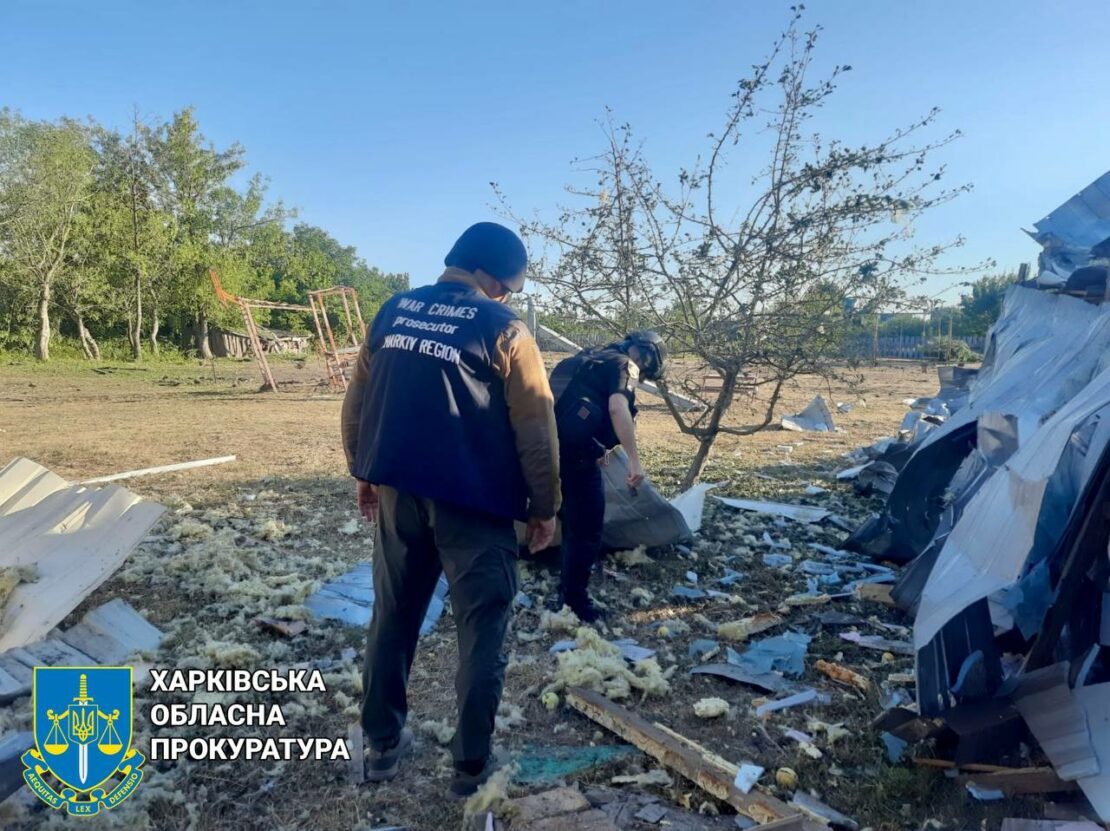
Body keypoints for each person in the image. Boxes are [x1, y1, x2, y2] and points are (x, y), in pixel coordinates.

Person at [340, 221, 559, 798]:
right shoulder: (505, 329)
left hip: (399, 495)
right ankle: (470, 767)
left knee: (393, 616)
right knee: (482, 629)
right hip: (475, 507)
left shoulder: (392, 312)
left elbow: (358, 400)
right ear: (488, 275)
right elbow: (535, 425)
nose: (507, 296)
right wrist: (545, 506)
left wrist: (364, 470)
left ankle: (382, 744)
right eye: (507, 286)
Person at [548, 330, 667, 622]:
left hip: (545, 450)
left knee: (563, 518)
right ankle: (574, 602)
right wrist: (634, 462)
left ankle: (565, 582)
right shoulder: (623, 365)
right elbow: (617, 407)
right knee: (586, 529)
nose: (641, 377)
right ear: (645, 355)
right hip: (576, 458)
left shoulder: (583, 358)